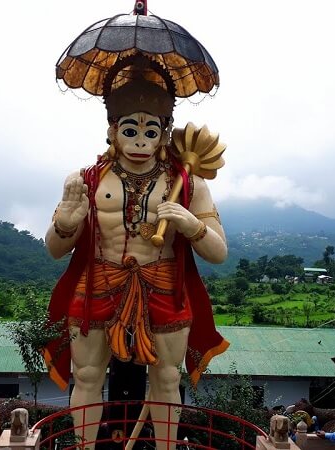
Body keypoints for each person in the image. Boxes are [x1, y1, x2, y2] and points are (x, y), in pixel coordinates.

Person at [43, 57, 229, 450]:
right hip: (99, 281)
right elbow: (55, 249)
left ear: (165, 133)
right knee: (89, 375)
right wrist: (67, 222)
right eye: (131, 129)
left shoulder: (187, 183)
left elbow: (219, 252)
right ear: (113, 130)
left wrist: (190, 224)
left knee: (166, 379)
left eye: (151, 129)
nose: (141, 140)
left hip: (162, 285)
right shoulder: (85, 180)